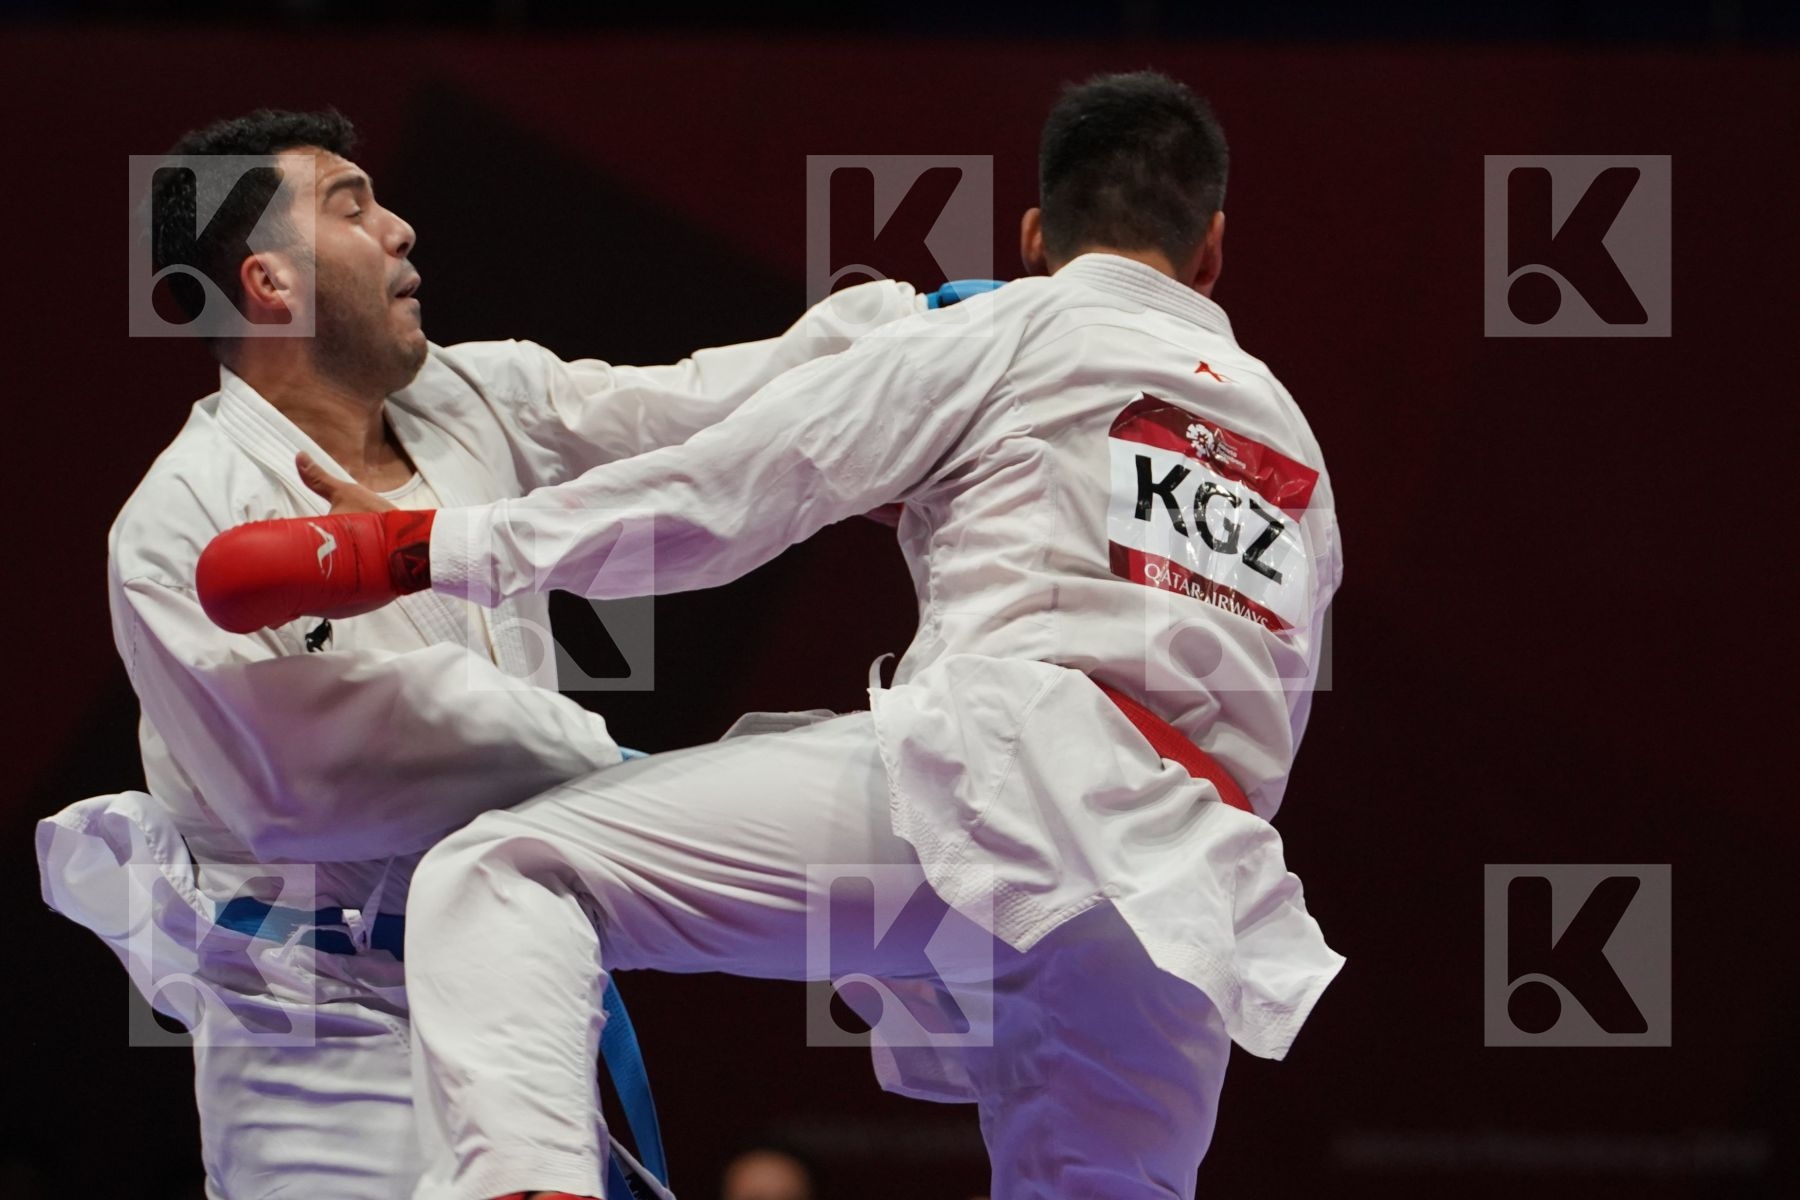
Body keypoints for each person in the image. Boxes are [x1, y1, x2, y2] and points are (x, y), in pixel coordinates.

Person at [199, 72, 1346, 1200]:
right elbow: (1273, 696)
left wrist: (410, 550)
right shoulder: (1294, 447)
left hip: (1002, 787)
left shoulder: (1015, 325)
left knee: (507, 870)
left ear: (1037, 231)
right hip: (1186, 891)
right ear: (1211, 253)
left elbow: (726, 495)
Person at [35, 107, 934, 1200]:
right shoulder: (184, 522)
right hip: (322, 1028)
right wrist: (653, 794)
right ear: (271, 284)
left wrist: (908, 335)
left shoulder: (473, 396)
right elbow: (318, 787)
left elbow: (692, 408)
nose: (402, 229)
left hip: (519, 985)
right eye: (352, 208)